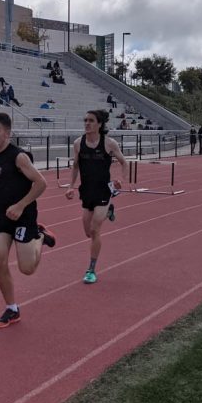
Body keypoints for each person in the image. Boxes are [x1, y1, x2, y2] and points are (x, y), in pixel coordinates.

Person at [0, 112, 57, 328]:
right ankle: (11, 309)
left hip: (23, 215)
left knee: (27, 269)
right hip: (0, 216)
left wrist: (21, 205)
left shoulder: (19, 157)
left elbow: (41, 183)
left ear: (8, 133)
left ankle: (40, 237)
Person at [65, 110, 128, 284]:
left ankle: (91, 269)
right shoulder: (78, 143)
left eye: (91, 121)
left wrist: (121, 180)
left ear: (99, 124)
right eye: (85, 120)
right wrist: (71, 186)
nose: (87, 123)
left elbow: (124, 162)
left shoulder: (109, 143)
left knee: (95, 229)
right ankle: (109, 210)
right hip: (86, 191)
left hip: (103, 191)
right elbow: (75, 167)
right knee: (88, 233)